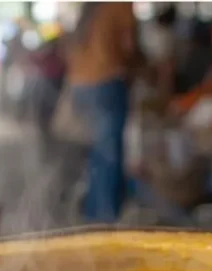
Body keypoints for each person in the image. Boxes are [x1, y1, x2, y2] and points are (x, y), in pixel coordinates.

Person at [66, 2, 140, 223]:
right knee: (110, 154)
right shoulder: (120, 5)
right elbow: (129, 46)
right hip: (107, 81)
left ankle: (94, 213)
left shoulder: (91, 7)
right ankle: (106, 220)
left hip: (80, 84)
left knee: (98, 154)